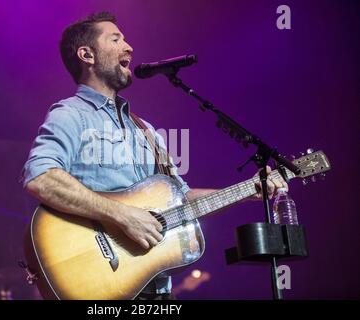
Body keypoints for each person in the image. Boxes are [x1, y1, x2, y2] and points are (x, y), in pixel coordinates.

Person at [21, 11, 288, 300]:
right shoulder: (71, 114)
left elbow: (180, 199)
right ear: (87, 55)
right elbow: (40, 177)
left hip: (157, 291)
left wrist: (249, 191)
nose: (129, 46)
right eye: (116, 38)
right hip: (103, 286)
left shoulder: (146, 130)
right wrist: (123, 216)